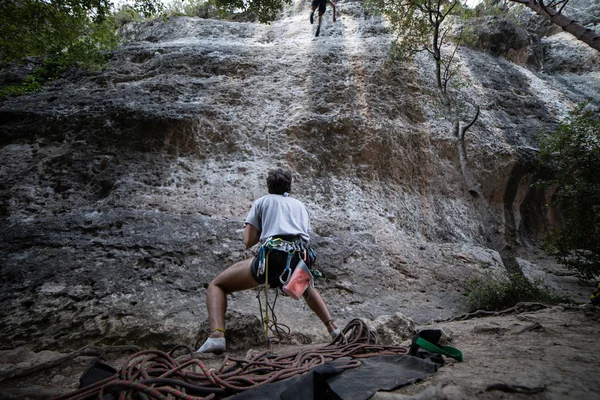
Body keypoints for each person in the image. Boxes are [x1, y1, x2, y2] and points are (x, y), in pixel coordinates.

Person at [196, 168, 340, 354]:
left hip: (273, 259)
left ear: (268, 185)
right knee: (307, 289)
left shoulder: (262, 202)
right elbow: (304, 235)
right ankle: (334, 329)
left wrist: (265, 229)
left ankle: (216, 336)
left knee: (217, 285)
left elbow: (248, 241)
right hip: (298, 258)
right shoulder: (299, 205)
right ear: (289, 186)